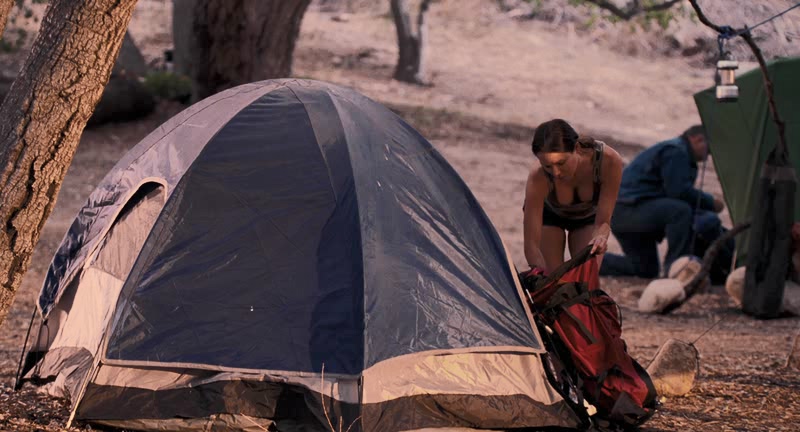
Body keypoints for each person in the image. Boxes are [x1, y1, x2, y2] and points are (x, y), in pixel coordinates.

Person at [600, 125, 728, 279]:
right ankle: (675, 271)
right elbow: (678, 191)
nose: (708, 157)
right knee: (680, 212)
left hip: (620, 212)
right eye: (709, 151)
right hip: (627, 210)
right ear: (698, 139)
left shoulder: (677, 151)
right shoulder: (677, 151)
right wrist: (711, 202)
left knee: (644, 268)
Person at [523, 119, 623, 274]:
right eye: (548, 166)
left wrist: (601, 237)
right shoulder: (538, 176)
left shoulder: (608, 161)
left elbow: (603, 222)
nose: (556, 172)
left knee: (585, 279)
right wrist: (538, 274)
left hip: (587, 218)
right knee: (552, 279)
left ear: (577, 148)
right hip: (549, 217)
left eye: (561, 163)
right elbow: (531, 244)